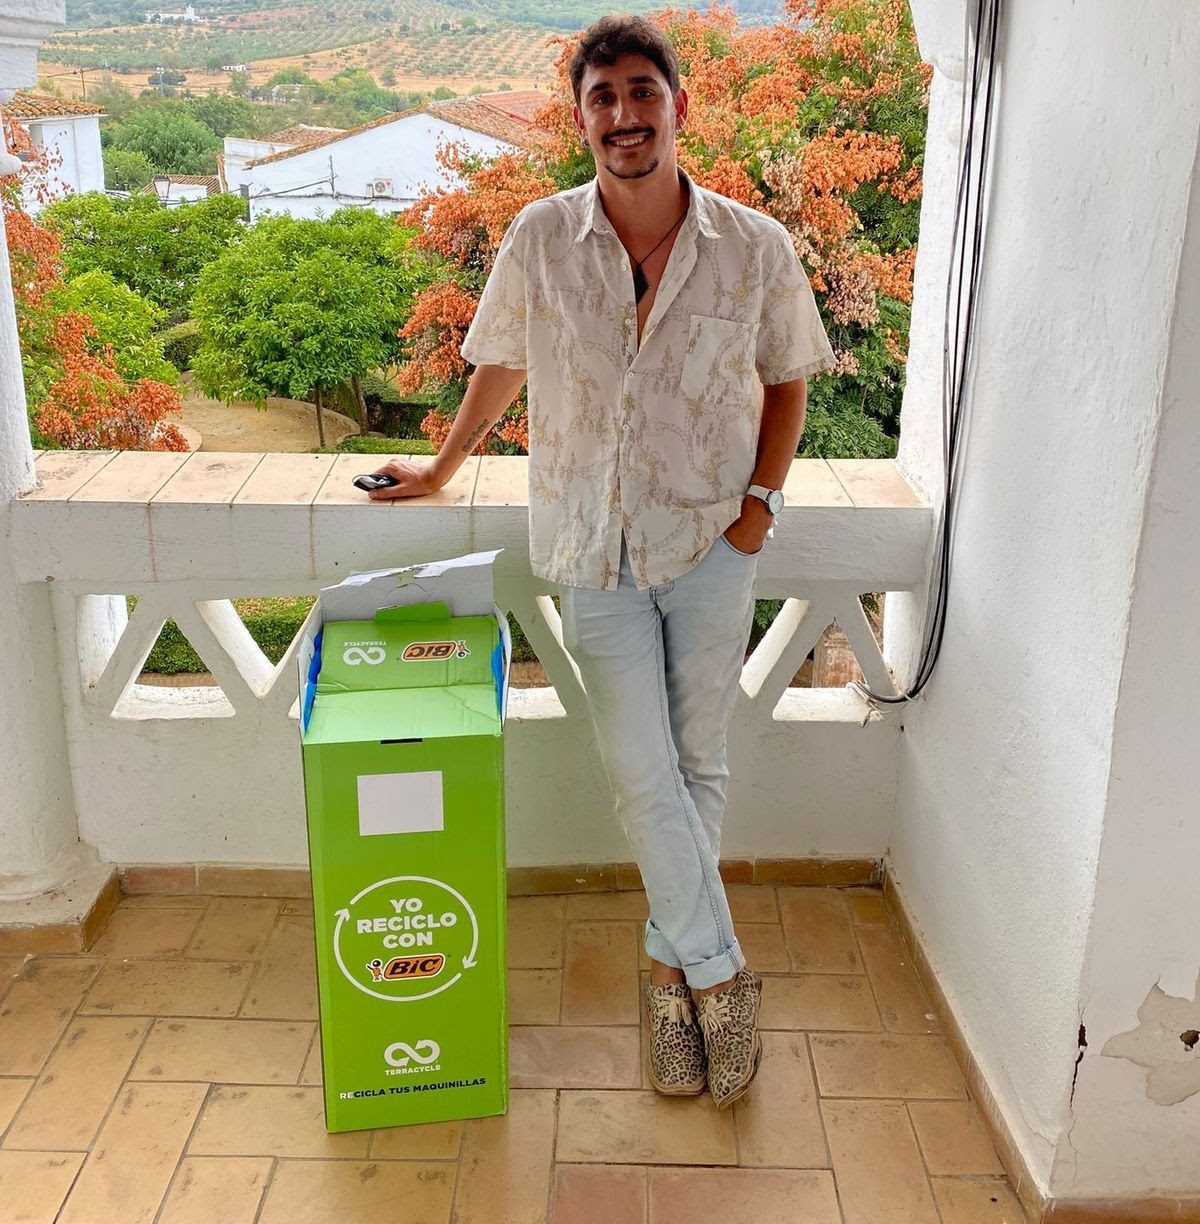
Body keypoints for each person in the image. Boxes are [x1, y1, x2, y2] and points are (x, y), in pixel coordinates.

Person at [366, 13, 834, 1109]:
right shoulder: (538, 238)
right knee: (642, 768)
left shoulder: (754, 245)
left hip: (712, 540)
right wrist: (440, 471)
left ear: (678, 105)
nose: (624, 116)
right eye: (603, 98)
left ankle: (670, 971)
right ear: (581, 118)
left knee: (697, 759)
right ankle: (720, 975)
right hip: (589, 546)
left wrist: (761, 506)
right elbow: (498, 366)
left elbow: (787, 378)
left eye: (642, 92)